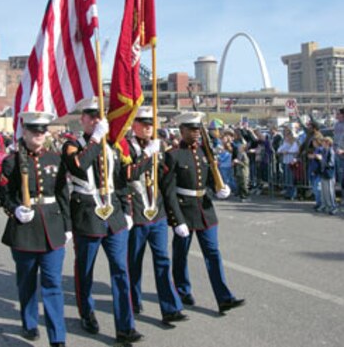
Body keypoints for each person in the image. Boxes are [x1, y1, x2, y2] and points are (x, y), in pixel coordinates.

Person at [62, 98, 143, 344]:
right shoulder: (72, 145)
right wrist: (96, 139)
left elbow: (120, 181)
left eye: (100, 115)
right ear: (82, 119)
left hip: (114, 215)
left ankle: (125, 326)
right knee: (85, 269)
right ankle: (86, 312)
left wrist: (127, 210)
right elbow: (79, 166)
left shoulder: (113, 145)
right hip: (88, 215)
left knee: (121, 270)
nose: (96, 119)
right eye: (91, 115)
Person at [161, 111, 245, 314]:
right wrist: (176, 219)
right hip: (185, 212)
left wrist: (219, 189)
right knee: (181, 254)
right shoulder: (173, 155)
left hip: (205, 210)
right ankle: (182, 290)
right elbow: (169, 191)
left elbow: (207, 180)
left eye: (198, 129)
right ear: (182, 131)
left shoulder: (204, 152)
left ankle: (224, 297)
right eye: (192, 130)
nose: (197, 133)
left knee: (213, 253)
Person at [0, 111, 71, 347]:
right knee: (27, 282)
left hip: (52, 227)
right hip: (25, 231)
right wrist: (15, 209)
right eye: (34, 130)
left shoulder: (55, 159)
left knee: (53, 283)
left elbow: (62, 194)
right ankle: (29, 322)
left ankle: (57, 336)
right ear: (25, 131)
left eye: (43, 130)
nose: (39, 134)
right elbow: (5, 195)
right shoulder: (12, 161)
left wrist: (67, 226)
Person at [123, 106, 187, 325]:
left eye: (151, 124)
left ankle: (170, 308)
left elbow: (166, 181)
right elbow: (128, 174)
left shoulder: (159, 147)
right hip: (136, 213)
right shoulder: (126, 148)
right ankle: (132, 301)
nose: (149, 128)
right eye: (144, 123)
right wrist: (147, 154)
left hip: (157, 213)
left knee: (162, 260)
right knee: (133, 262)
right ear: (134, 125)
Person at [319, 137, 337, 215]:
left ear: (327, 143)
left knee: (330, 191)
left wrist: (321, 160)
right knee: (323, 191)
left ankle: (333, 206)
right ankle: (325, 205)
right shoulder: (323, 150)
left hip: (329, 173)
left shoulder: (331, 151)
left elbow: (331, 163)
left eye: (323, 142)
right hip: (323, 172)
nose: (322, 143)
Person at [333, 108, 344, 204]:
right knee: (340, 178)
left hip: (342, 155)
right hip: (337, 155)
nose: (337, 115)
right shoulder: (336, 125)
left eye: (338, 114)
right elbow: (335, 140)